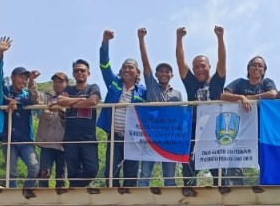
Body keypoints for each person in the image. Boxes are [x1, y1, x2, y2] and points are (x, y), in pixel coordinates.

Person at [175, 25, 228, 186]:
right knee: (189, 169)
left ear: (209, 67)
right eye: (196, 67)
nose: (199, 70)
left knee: (218, 172)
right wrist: (179, 38)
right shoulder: (191, 82)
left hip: (214, 132)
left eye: (203, 66)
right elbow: (180, 62)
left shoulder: (217, 81)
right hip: (193, 131)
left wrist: (220, 38)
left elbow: (222, 60)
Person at [97, 30, 146, 188]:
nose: (126, 70)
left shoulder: (143, 91)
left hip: (133, 137)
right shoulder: (114, 83)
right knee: (111, 171)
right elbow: (104, 65)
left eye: (130, 67)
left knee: (131, 171)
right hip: (114, 136)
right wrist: (105, 41)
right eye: (124, 67)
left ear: (137, 72)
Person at [219, 56, 277, 187]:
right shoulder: (240, 83)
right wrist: (241, 97)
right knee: (235, 161)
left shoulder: (266, 82)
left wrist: (250, 98)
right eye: (254, 65)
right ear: (248, 68)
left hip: (262, 131)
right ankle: (237, 197)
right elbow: (223, 95)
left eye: (260, 66)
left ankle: (265, 197)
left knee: (265, 161)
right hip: (240, 131)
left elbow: (273, 94)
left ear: (264, 70)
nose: (257, 68)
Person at [139, 27, 185, 187]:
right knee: (145, 174)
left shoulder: (177, 95)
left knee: (170, 177)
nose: (164, 74)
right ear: (156, 75)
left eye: (167, 72)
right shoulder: (151, 86)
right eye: (161, 72)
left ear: (172, 75)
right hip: (151, 138)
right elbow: (146, 64)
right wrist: (141, 39)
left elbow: (180, 118)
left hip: (170, 140)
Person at [0, 36, 39, 189]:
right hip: (9, 138)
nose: (23, 81)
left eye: (26, 79)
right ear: (12, 77)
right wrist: (0, 52)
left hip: (25, 140)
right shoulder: (4, 92)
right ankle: (13, 201)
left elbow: (34, 100)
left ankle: (25, 194)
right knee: (11, 173)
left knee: (35, 168)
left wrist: (31, 84)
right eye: (21, 77)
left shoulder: (26, 95)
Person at [55, 57, 101, 187]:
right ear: (73, 74)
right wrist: (81, 101)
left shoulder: (93, 87)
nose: (79, 73)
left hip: (88, 136)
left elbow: (93, 101)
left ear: (88, 73)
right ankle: (76, 201)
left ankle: (76, 189)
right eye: (76, 71)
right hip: (71, 136)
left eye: (82, 70)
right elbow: (60, 101)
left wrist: (72, 104)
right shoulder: (69, 89)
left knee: (92, 169)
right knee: (73, 171)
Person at [36, 71, 69, 187]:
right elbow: (35, 97)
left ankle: (61, 201)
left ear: (67, 83)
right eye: (55, 81)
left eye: (61, 81)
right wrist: (31, 83)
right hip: (47, 144)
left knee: (61, 177)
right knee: (44, 173)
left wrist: (61, 109)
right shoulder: (48, 98)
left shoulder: (71, 100)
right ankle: (43, 201)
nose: (57, 84)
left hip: (63, 145)